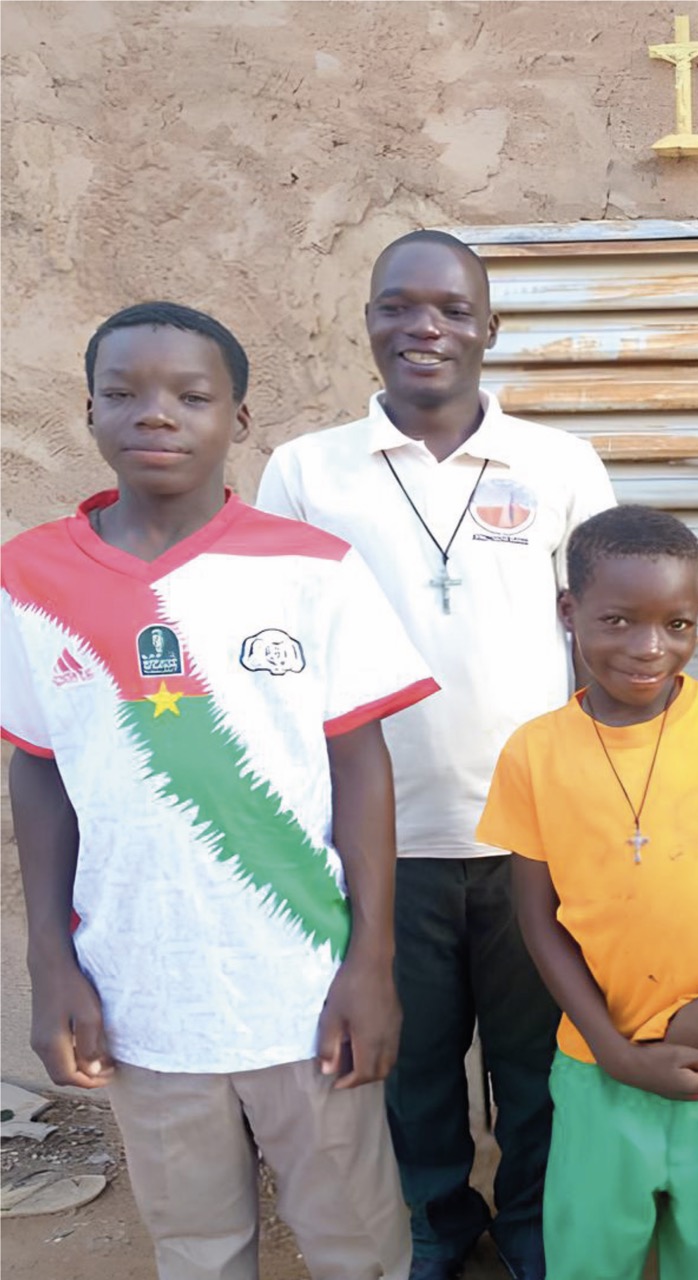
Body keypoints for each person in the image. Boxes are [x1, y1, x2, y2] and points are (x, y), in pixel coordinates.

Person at [2, 302, 438, 1280]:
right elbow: (38, 767)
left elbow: (360, 764)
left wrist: (370, 961)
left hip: (304, 983)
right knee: (195, 1245)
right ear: (88, 410)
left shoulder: (309, 569)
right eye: (124, 393)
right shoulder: (28, 578)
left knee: (356, 1242)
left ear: (237, 419)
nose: (156, 414)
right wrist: (51, 964)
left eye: (190, 396)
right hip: (139, 992)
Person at [256, 230, 615, 1280]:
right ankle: (432, 1228)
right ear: (367, 322)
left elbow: (606, 629)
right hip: (378, 834)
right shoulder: (307, 470)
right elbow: (278, 646)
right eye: (399, 306)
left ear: (491, 328)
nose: (426, 327)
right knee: (409, 1063)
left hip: (537, 836)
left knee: (539, 1060)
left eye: (454, 309)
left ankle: (537, 1229)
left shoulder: (560, 463)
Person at [477, 505, 698, 1280]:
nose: (650, 648)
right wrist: (611, 1050)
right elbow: (537, 919)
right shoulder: (534, 753)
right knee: (592, 1253)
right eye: (618, 620)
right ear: (568, 612)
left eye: (676, 623)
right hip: (597, 1062)